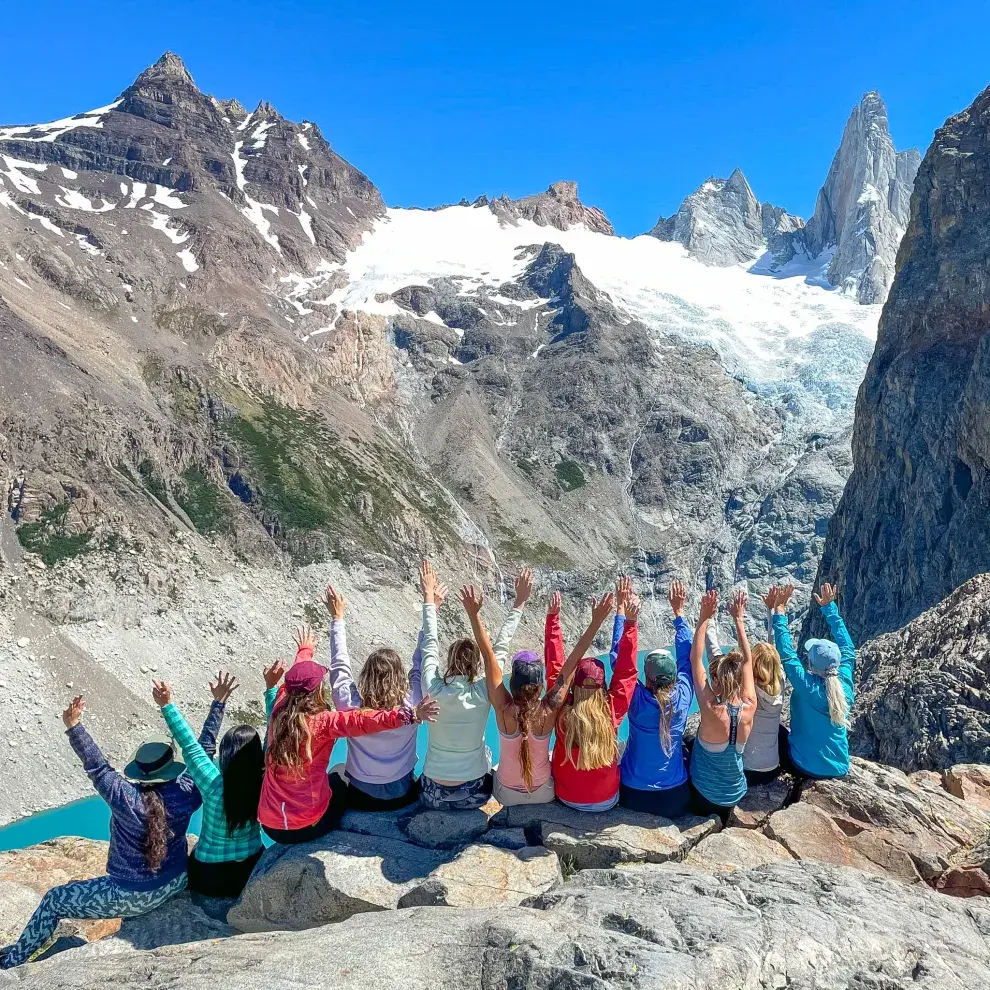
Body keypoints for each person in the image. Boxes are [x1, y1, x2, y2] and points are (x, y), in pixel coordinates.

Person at [0, 691, 219, 969]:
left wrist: (74, 725)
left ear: (139, 770)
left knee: (54, 900)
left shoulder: (124, 796)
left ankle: (13, 962)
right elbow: (204, 751)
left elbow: (97, 766)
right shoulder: (187, 791)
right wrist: (218, 704)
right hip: (176, 883)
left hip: (129, 895)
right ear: (171, 766)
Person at [259, 626, 439, 843]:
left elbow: (299, 681)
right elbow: (366, 720)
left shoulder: (278, 709)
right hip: (311, 824)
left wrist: (305, 651)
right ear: (316, 691)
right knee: (337, 776)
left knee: (338, 771)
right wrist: (410, 715)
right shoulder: (324, 722)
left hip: (270, 826)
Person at [461, 583, 615, 807]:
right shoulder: (549, 709)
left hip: (506, 794)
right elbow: (571, 664)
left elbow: (488, 655)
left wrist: (474, 615)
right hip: (544, 792)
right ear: (541, 685)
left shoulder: (503, 707)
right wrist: (596, 622)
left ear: (511, 682)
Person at [152, 667, 279, 903]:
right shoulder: (265, 779)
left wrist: (167, 704)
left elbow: (190, 745)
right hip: (250, 869)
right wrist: (271, 689)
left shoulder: (212, 783)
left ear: (226, 754)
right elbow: (274, 736)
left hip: (209, 877)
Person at [324, 577, 447, 811]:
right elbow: (421, 660)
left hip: (361, 796)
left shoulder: (350, 706)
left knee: (337, 769)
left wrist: (337, 619)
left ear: (366, 675)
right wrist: (432, 608)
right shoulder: (413, 703)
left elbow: (339, 666)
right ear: (399, 675)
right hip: (403, 793)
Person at [418, 562, 528, 810]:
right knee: (486, 753)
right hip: (473, 794)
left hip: (431, 792)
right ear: (477, 665)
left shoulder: (433, 688)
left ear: (449, 661)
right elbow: (499, 649)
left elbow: (429, 644)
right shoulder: (483, 692)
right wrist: (519, 603)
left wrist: (429, 601)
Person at [549, 585, 636, 812]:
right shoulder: (611, 710)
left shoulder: (562, 712)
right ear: (603, 685)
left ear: (573, 685)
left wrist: (553, 622)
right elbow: (626, 672)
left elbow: (556, 672)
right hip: (606, 800)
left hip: (566, 796)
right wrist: (630, 624)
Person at [619, 579, 697, 817]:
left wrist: (624, 616)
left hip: (633, 794)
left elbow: (620, 664)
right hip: (674, 797)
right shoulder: (683, 694)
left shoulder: (636, 698)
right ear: (674, 675)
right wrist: (679, 614)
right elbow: (688, 658)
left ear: (647, 677)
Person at [771, 582, 855, 779]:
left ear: (811, 663)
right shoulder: (845, 684)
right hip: (840, 767)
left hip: (803, 765)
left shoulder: (807, 686)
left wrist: (779, 612)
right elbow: (848, 649)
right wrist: (830, 609)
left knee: (772, 733)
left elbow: (787, 654)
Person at [688, 590, 757, 821]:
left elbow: (695, 660)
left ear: (717, 680)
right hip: (736, 793)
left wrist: (704, 618)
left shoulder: (712, 710)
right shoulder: (750, 704)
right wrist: (739, 619)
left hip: (705, 795)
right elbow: (747, 661)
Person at [735, 585, 788, 784]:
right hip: (772, 769)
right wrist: (772, 611)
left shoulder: (749, 690)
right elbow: (771, 653)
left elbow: (750, 659)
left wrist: (737, 619)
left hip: (748, 771)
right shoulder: (780, 681)